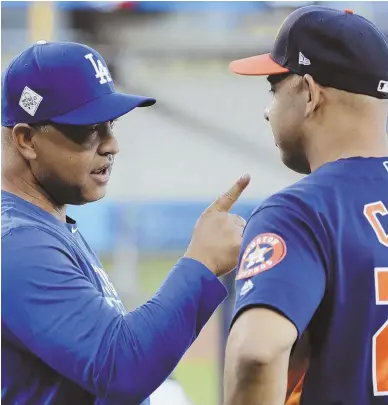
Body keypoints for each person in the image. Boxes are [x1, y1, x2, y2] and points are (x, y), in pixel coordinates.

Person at [223, 5, 388, 405]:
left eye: (274, 87)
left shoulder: (299, 213)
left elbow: (256, 353)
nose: (267, 109)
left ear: (310, 93)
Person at [1, 40, 250, 405]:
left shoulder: (43, 227)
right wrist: (202, 263)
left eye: (110, 125)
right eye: (89, 128)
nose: (111, 144)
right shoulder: (19, 243)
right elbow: (121, 367)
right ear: (26, 140)